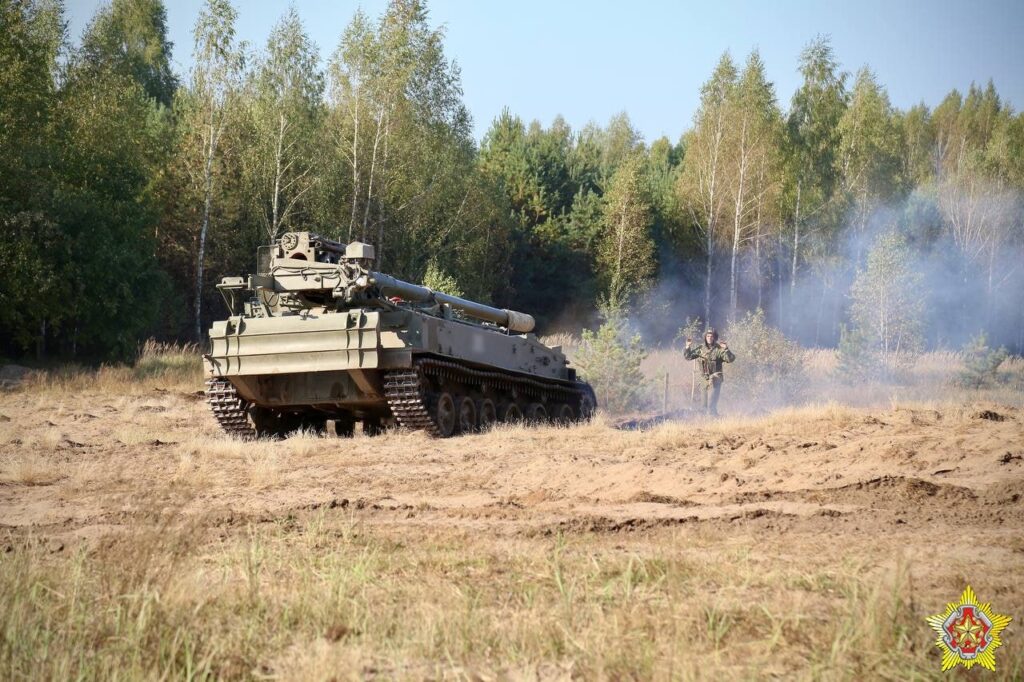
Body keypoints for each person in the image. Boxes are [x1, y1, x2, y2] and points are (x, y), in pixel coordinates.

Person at [684, 328, 736, 417]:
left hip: (715, 379)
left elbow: (730, 359)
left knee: (712, 404)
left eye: (711, 336)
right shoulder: (701, 349)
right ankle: (705, 423)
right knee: (704, 405)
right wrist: (688, 347)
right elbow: (688, 357)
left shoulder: (719, 349)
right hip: (704, 379)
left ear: (714, 338)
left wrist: (726, 349)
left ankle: (714, 421)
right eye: (708, 336)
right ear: (705, 337)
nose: (709, 338)